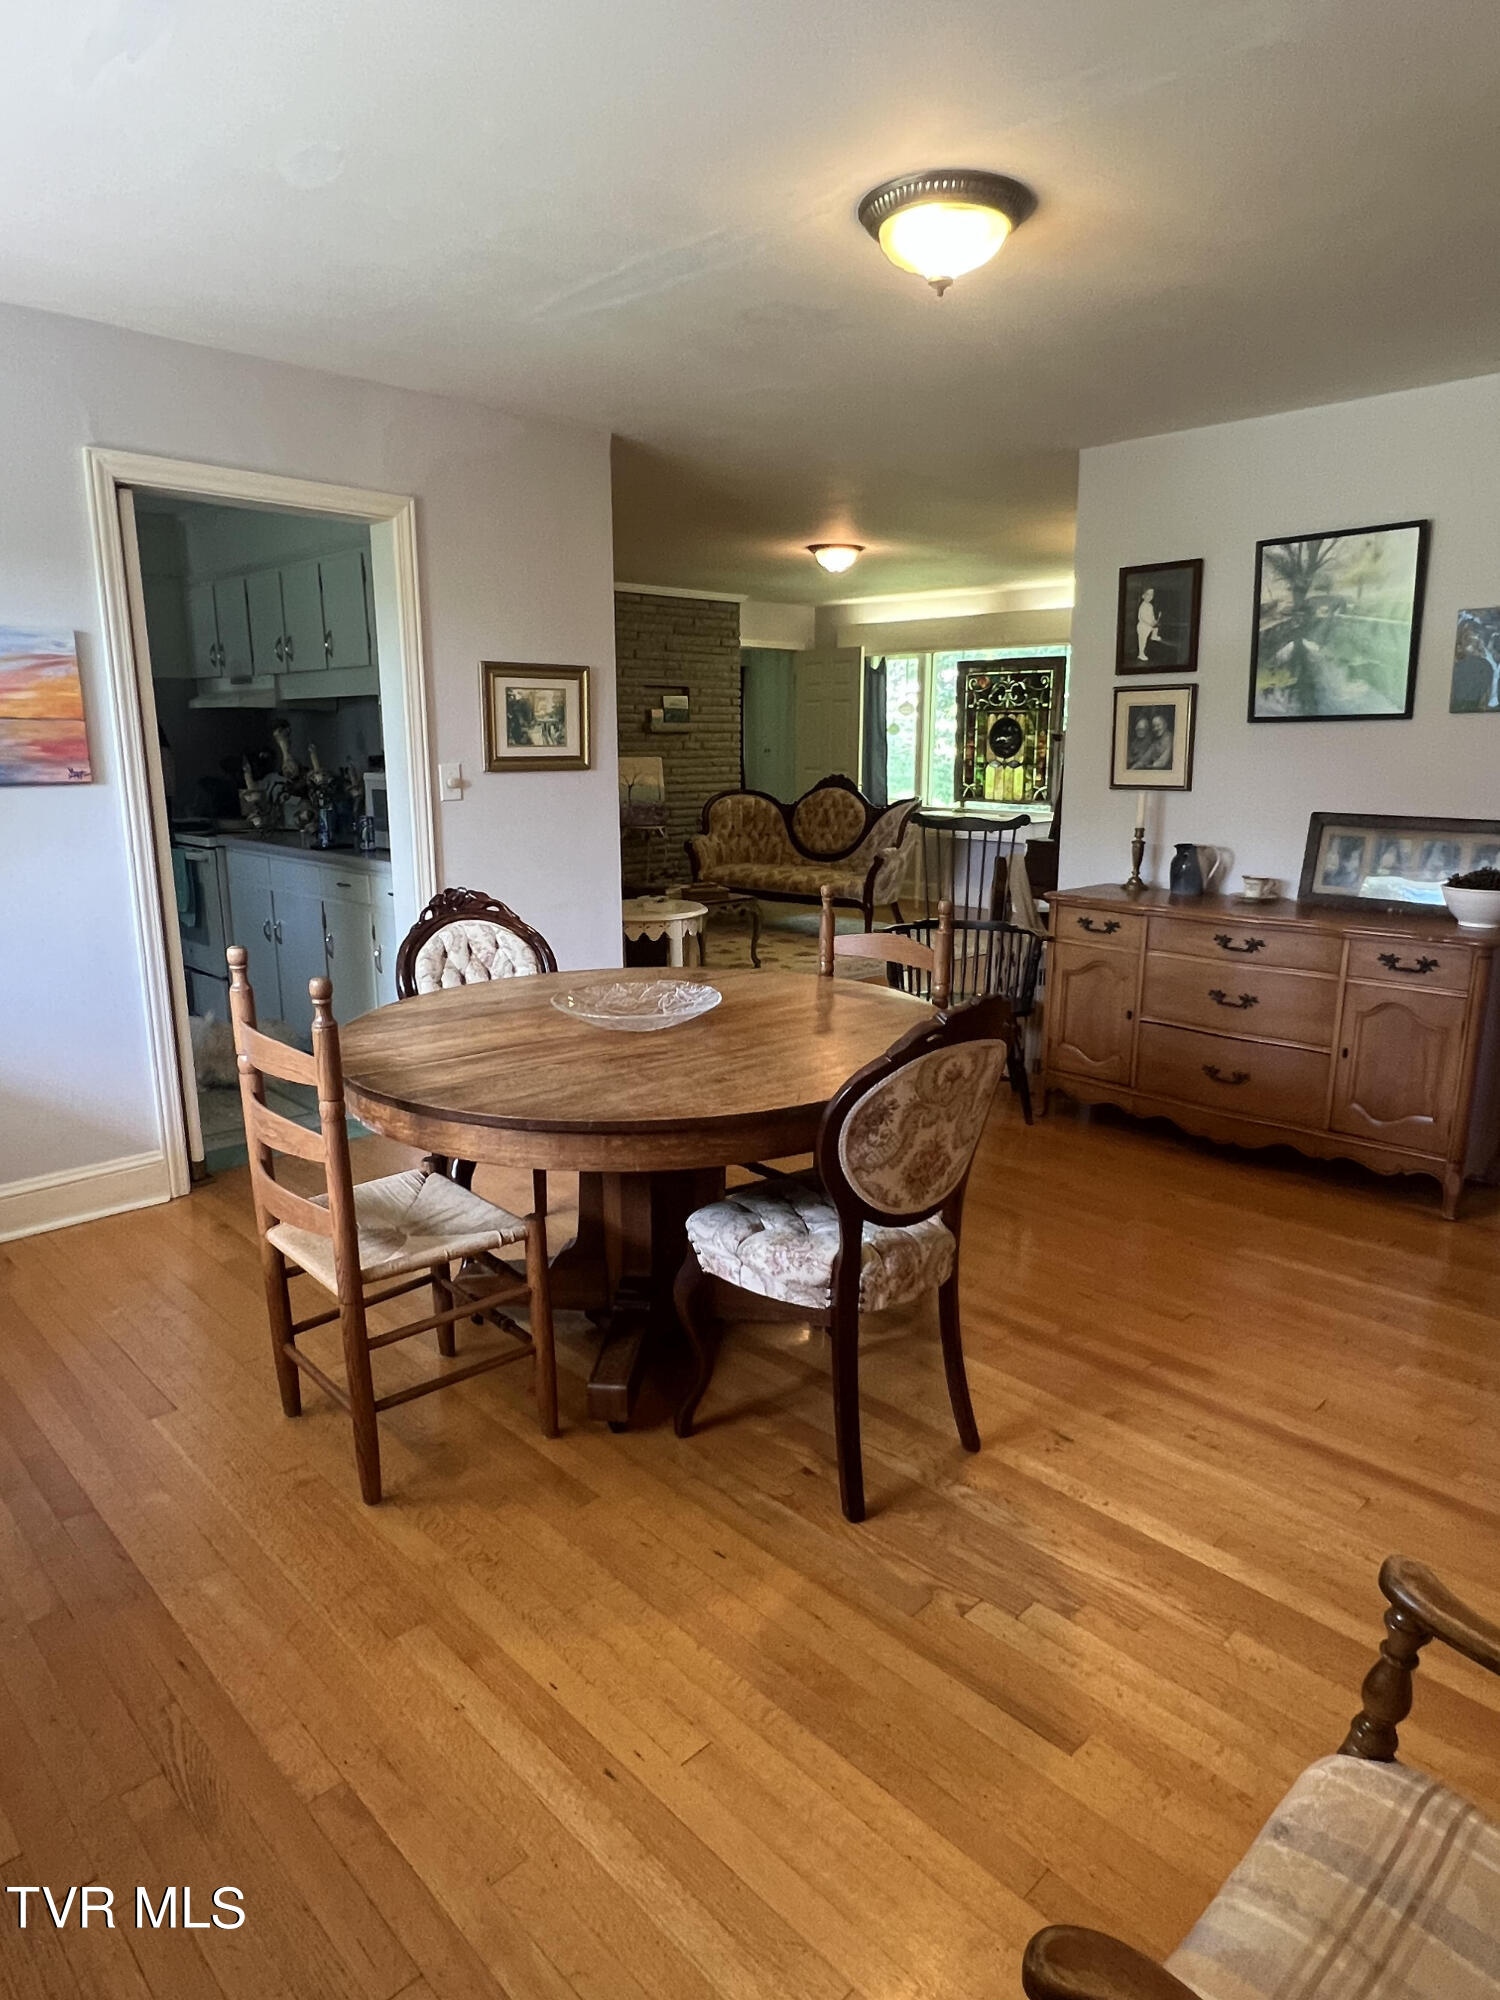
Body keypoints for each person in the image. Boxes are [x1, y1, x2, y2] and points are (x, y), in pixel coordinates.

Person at [1136, 586, 1161, 663]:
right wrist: (1150, 623)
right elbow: (1142, 617)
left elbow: (1152, 615)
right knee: (1143, 641)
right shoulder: (1142, 606)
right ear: (1143, 596)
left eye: (1152, 594)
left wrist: (1154, 621)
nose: (1150, 596)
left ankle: (1154, 636)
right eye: (1148, 594)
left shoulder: (1150, 606)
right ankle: (1141, 654)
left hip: (1149, 625)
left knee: (1156, 628)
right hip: (1142, 626)